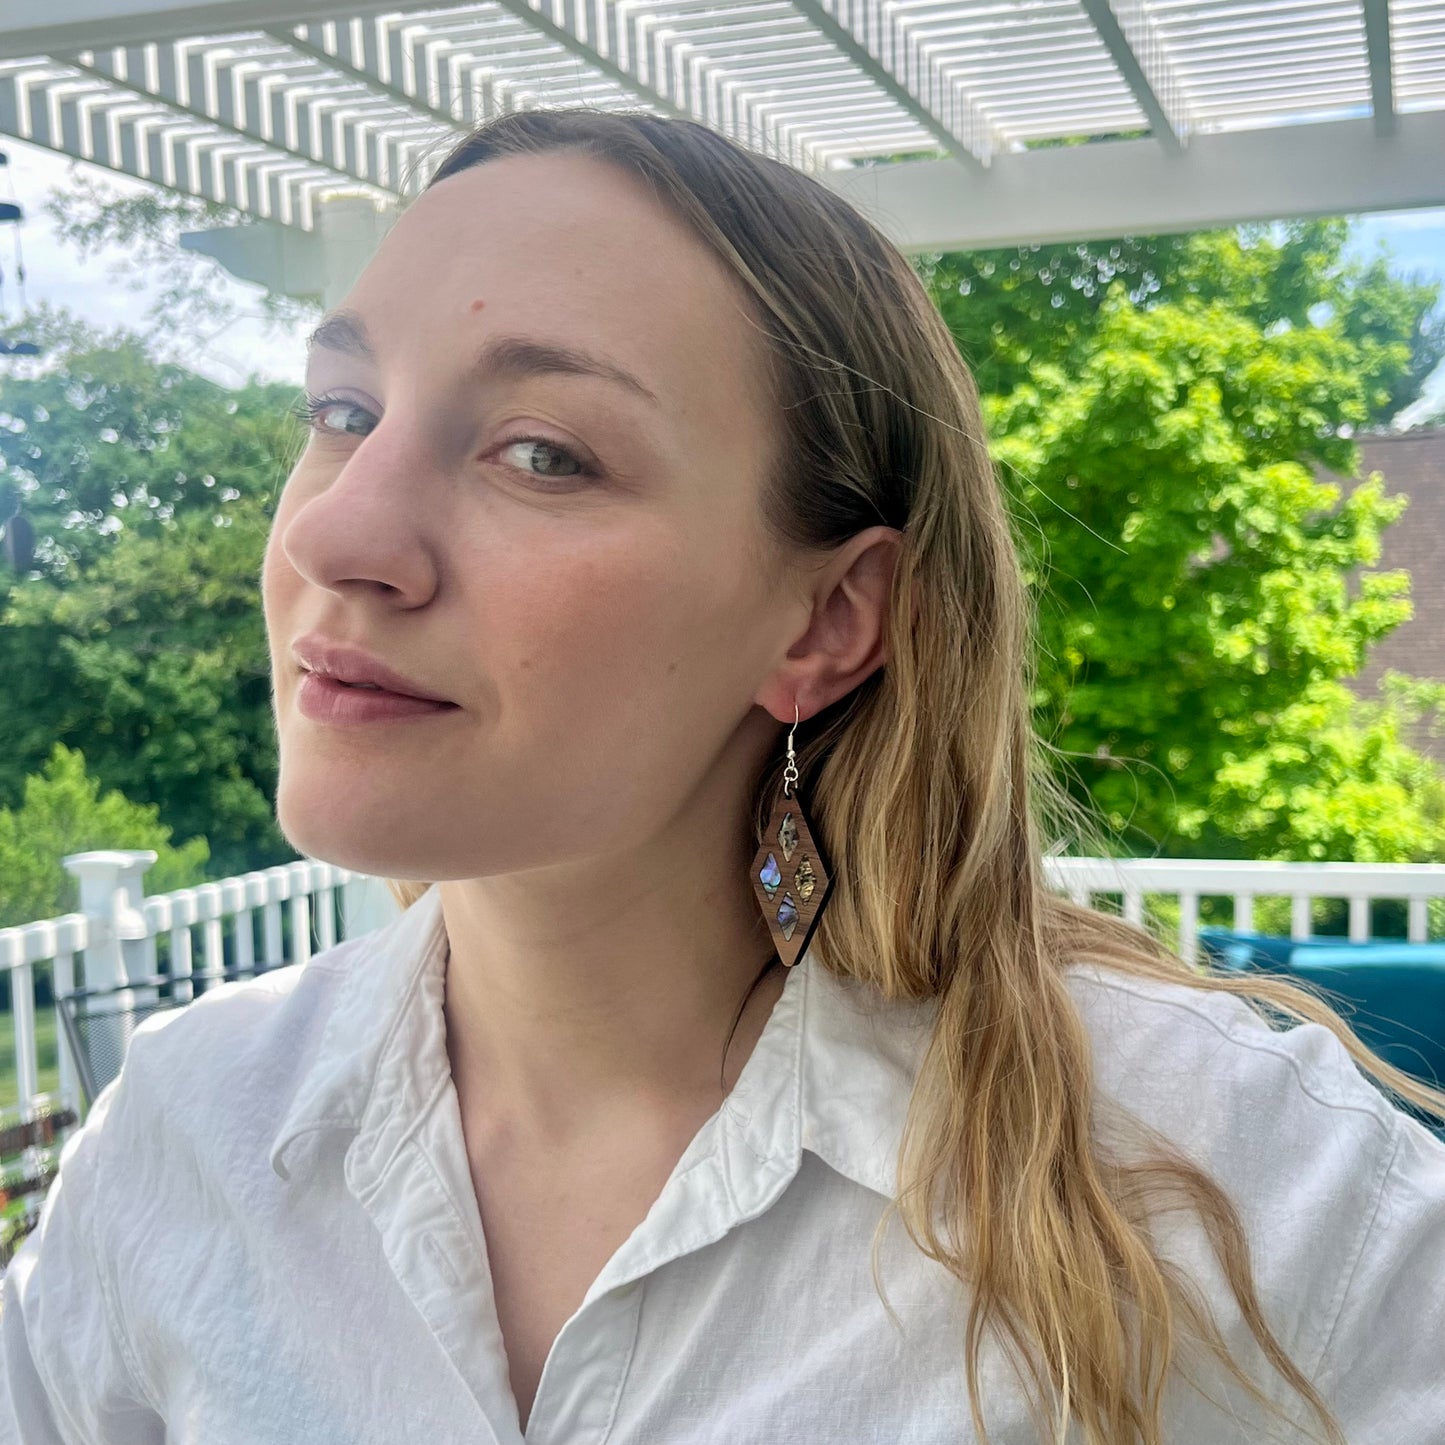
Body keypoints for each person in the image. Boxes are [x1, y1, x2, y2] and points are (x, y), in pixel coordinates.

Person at [2, 108, 1443, 1445]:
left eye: (545, 452)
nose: (338, 532)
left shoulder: (1254, 1192)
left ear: (823, 620)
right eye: (341, 409)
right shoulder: (184, 1141)